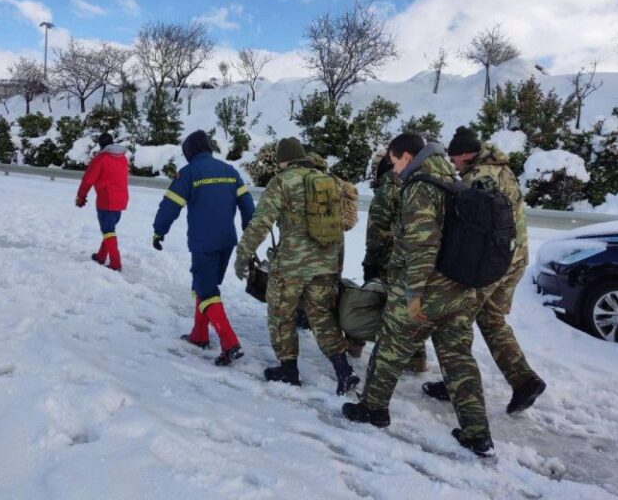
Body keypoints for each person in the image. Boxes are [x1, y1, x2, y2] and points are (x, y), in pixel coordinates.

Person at [342, 132, 494, 458]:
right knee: (458, 361)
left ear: (407, 157)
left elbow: (423, 244)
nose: (394, 169)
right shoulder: (451, 179)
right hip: (459, 289)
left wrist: (414, 293)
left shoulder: (422, 187)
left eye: (395, 162)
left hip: (426, 290)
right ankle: (477, 433)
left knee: (389, 348)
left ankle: (373, 409)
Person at [422, 126, 546, 414]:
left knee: (456, 322)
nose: (453, 165)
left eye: (455, 160)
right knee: (491, 319)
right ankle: (524, 380)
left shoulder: (478, 177)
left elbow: (471, 229)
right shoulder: (503, 170)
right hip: (515, 259)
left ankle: (457, 381)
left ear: (466, 154)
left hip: (491, 264)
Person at [233, 137, 359, 395]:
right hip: (325, 265)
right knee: (322, 317)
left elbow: (260, 224)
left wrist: (243, 255)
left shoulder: (282, 182)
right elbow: (341, 227)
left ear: (283, 160)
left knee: (281, 316)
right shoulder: (331, 181)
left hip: (290, 266)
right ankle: (344, 370)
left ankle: (288, 370)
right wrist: (336, 266)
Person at [152, 130, 255, 367]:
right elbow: (247, 204)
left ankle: (229, 343)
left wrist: (159, 231)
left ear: (190, 151)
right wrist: (249, 229)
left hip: (203, 242)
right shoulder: (230, 171)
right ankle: (199, 334)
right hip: (227, 241)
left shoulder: (188, 173)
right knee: (205, 284)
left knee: (207, 290)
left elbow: (170, 205)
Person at [360, 150, 428, 373]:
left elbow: (377, 233)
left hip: (388, 260)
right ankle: (417, 358)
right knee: (409, 310)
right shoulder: (416, 186)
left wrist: (370, 262)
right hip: (413, 260)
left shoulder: (386, 190)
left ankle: (361, 348)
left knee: (375, 302)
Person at [75, 132, 129, 272]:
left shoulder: (101, 159)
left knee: (108, 231)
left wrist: (81, 197)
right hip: (121, 200)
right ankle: (101, 256)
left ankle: (116, 263)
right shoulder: (123, 158)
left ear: (100, 144)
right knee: (109, 229)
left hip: (107, 200)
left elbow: (88, 180)